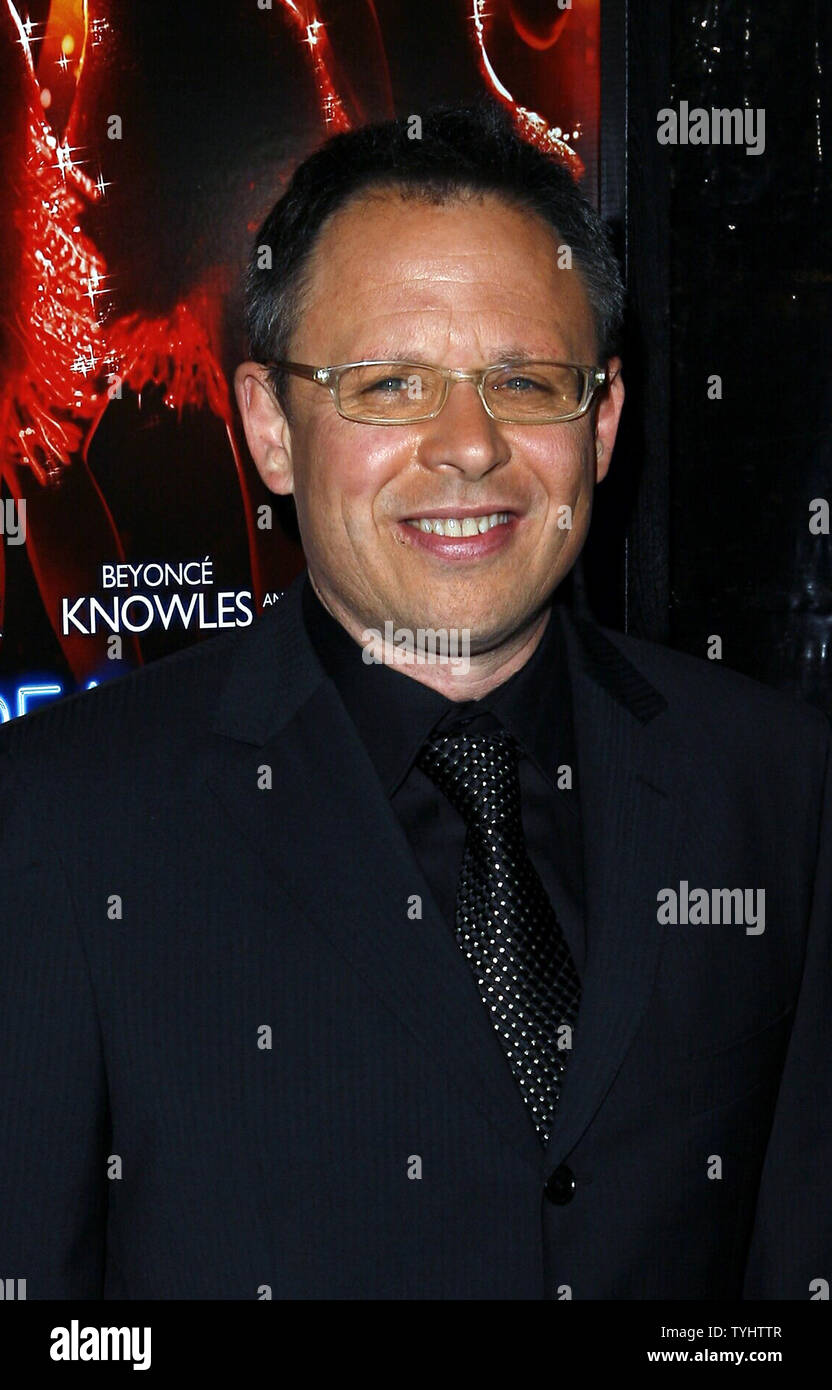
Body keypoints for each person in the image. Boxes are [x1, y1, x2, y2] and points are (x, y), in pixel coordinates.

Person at [1, 101, 829, 1301]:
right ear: (270, 429)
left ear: (601, 423)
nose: (468, 446)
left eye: (525, 381)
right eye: (389, 384)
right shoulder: (63, 819)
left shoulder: (775, 785)